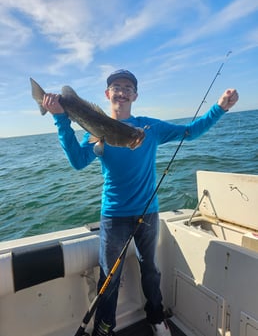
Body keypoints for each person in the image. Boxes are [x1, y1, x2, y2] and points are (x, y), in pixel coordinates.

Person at [42, 69, 239, 336]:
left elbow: (189, 132)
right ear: (107, 93)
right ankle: (104, 326)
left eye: (127, 87)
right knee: (109, 277)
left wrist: (219, 108)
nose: (121, 91)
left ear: (135, 94)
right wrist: (60, 120)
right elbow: (78, 161)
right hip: (113, 216)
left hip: (148, 213)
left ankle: (156, 317)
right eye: (116, 86)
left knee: (151, 270)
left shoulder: (150, 127)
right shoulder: (96, 130)